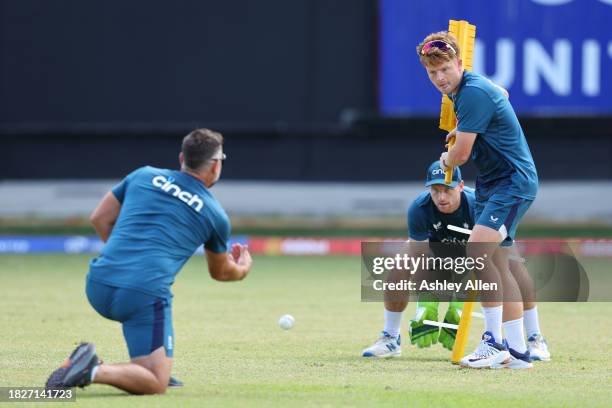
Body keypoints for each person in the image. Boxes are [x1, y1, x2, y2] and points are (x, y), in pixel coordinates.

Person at [45, 128, 253, 394]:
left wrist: (126, 259)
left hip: (98, 284)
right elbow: (221, 273)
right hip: (141, 295)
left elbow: (99, 218)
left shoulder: (143, 175)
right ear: (215, 165)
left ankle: (149, 366)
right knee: (155, 382)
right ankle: (92, 369)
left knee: (153, 364)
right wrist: (243, 267)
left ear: (182, 158)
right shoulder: (215, 214)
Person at [416, 31, 539, 369]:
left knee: (476, 251)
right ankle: (517, 352)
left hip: (512, 183)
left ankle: (494, 342)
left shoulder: (470, 93)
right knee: (498, 265)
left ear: (460, 62)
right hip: (490, 185)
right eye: (432, 73)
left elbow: (461, 156)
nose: (440, 78)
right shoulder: (468, 91)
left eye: (445, 70)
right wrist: (461, 134)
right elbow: (501, 94)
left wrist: (447, 159)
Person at [362, 162, 549, 362]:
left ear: (460, 186)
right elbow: (420, 258)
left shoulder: (479, 205)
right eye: (435, 190)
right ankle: (390, 338)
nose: (441, 197)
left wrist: (456, 306)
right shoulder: (419, 208)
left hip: (483, 247)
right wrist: (427, 307)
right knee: (400, 265)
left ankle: (534, 337)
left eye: (447, 190)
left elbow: (483, 265)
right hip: (439, 250)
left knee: (513, 268)